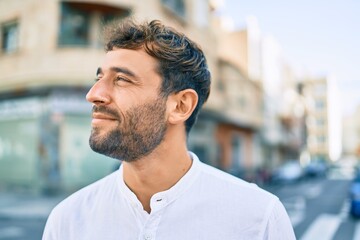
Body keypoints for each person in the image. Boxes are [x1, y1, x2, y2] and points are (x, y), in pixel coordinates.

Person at [43, 19, 295, 240]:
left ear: (180, 105)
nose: (93, 94)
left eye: (121, 79)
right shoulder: (67, 221)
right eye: (99, 79)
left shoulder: (258, 217)